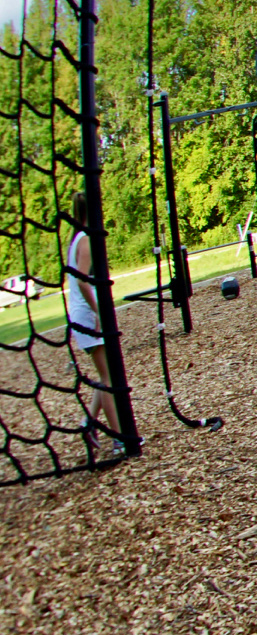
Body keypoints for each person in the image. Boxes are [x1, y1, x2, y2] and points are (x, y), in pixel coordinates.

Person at [64, 192, 125, 455]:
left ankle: (89, 424)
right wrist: (98, 311)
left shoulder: (77, 237)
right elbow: (80, 280)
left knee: (106, 374)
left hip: (81, 315)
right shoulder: (86, 239)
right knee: (108, 377)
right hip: (85, 316)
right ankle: (118, 439)